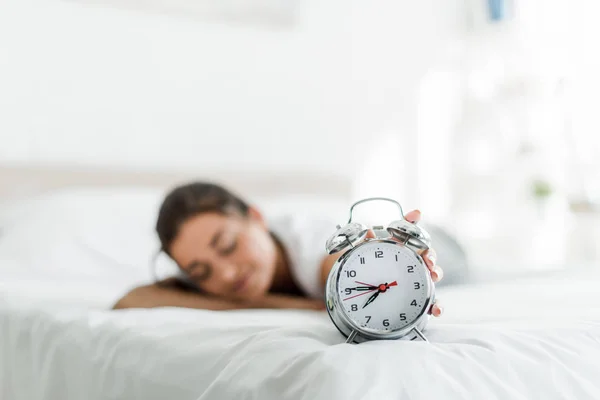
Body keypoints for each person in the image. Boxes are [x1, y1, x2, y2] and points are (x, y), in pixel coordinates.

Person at [113, 182, 444, 317]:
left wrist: (383, 254)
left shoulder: (312, 242)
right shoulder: (212, 282)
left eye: (228, 246)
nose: (225, 274)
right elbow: (130, 301)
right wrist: (272, 304)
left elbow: (342, 267)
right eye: (202, 272)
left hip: (438, 241)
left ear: (256, 217)